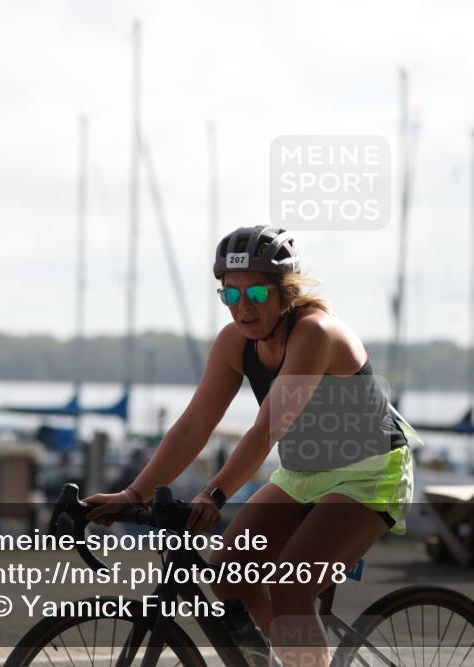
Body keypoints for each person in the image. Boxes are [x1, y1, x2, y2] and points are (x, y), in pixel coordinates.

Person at [86, 225, 420, 667]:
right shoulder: (234, 344)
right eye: (230, 295)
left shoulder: (316, 334)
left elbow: (267, 429)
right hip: (304, 475)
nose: (242, 309)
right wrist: (133, 494)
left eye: (257, 295)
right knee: (228, 576)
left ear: (286, 293)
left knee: (290, 585)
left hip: (368, 474)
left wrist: (215, 492)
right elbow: (192, 428)